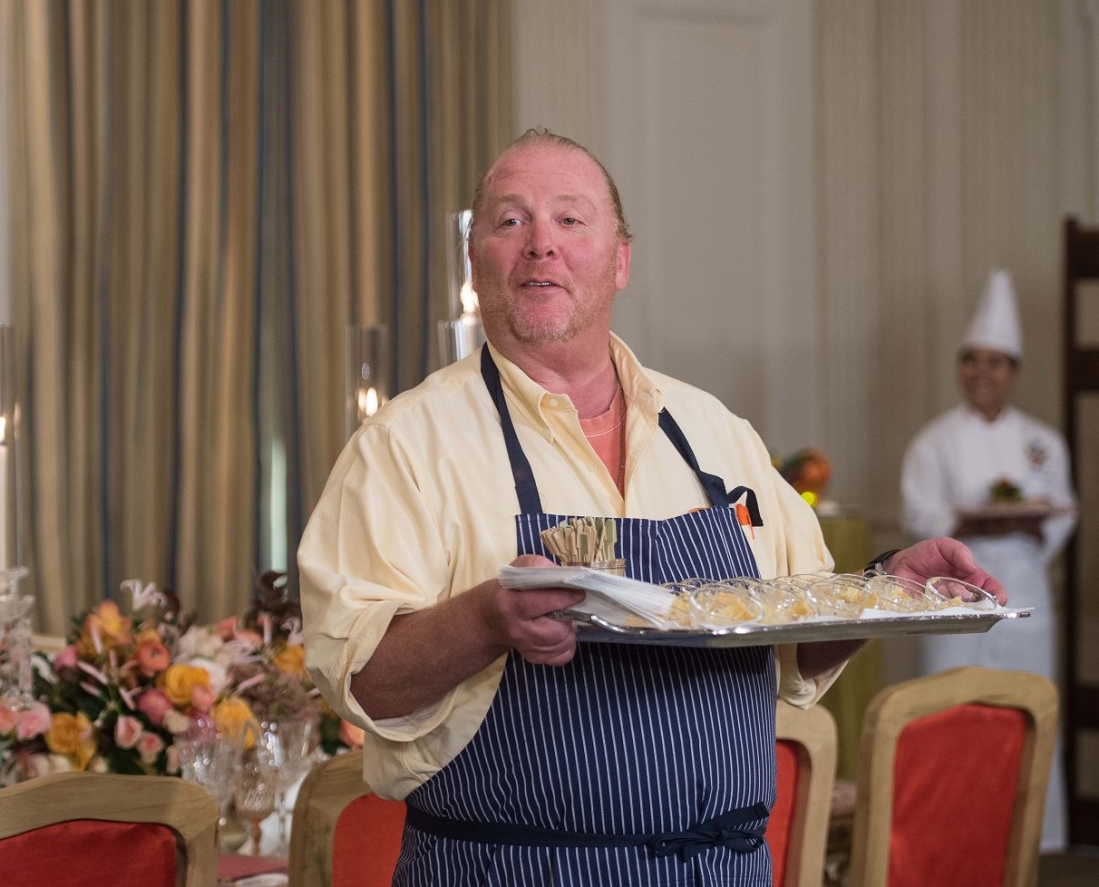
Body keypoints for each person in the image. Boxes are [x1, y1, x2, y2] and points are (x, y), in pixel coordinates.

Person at [299, 128, 1004, 885]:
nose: (541, 243)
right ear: (476, 262)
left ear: (621, 261)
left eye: (570, 219)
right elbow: (361, 679)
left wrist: (886, 588)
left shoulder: (714, 432)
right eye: (510, 220)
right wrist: (486, 619)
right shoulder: (405, 445)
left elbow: (798, 643)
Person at [901, 268, 1075, 852]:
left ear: (1013, 371)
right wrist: (971, 524)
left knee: (1026, 707)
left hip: (1025, 587)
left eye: (994, 362)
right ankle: (944, 836)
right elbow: (918, 515)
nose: (981, 372)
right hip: (952, 591)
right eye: (971, 360)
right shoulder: (933, 440)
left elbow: (1064, 513)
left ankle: (1031, 840)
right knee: (948, 707)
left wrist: (1025, 529)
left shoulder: (1043, 442)